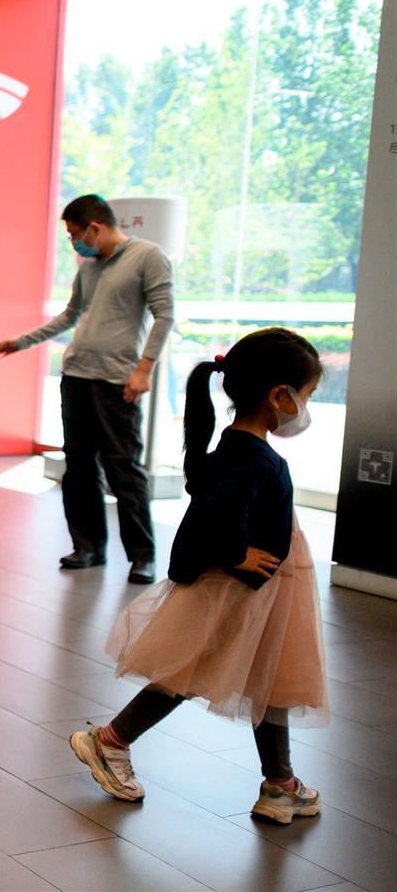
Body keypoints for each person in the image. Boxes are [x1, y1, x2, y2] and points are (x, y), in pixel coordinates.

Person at [68, 327, 328, 825]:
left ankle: (279, 783)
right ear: (279, 396)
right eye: (308, 395)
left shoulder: (236, 448)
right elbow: (219, 512)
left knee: (266, 677)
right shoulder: (255, 460)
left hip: (264, 587)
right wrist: (236, 555)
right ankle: (110, 741)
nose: (307, 407)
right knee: (196, 670)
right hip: (241, 586)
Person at [0, 194, 174, 583]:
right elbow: (71, 315)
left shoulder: (147, 257)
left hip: (116, 381)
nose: (74, 242)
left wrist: (144, 369)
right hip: (77, 378)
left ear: (95, 227)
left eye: (75, 234)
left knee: (123, 468)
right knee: (79, 468)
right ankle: (88, 547)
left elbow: (164, 315)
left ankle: (143, 556)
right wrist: (22, 341)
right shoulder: (88, 266)